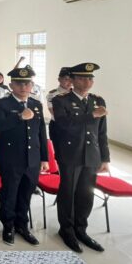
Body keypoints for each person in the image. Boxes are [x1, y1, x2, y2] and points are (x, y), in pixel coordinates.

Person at [52, 63, 109, 253]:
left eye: (90, 78)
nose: (88, 82)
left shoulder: (97, 100)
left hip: (92, 155)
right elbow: (63, 124)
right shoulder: (61, 100)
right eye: (83, 78)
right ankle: (66, 230)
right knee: (68, 193)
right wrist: (91, 115)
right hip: (70, 154)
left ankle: (81, 229)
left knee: (86, 194)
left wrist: (105, 158)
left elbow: (102, 133)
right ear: (73, 80)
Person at [0, 67, 49, 246]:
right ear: (11, 85)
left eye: (27, 83)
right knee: (9, 194)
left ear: (32, 85)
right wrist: (19, 117)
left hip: (32, 158)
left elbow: (41, 132)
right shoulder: (2, 104)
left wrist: (44, 158)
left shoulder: (36, 104)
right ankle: (8, 226)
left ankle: (22, 225)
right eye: (19, 83)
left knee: (26, 193)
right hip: (11, 158)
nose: (23, 87)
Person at [46, 67, 72, 145]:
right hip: (58, 126)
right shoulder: (52, 94)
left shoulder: (75, 94)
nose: (69, 82)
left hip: (73, 126)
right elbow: (53, 111)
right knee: (58, 149)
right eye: (66, 79)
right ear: (59, 79)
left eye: (71, 79)